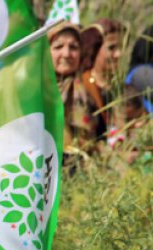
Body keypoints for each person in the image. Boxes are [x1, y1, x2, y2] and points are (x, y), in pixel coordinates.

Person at [49, 21, 97, 166]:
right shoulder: (33, 90)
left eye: (73, 47)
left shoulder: (88, 89)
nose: (66, 54)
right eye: (58, 47)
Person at [79, 19, 125, 139]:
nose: (118, 54)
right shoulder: (82, 87)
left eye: (120, 47)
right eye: (111, 48)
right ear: (93, 49)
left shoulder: (119, 86)